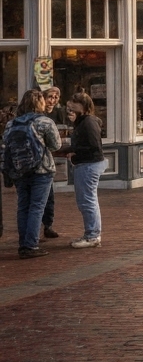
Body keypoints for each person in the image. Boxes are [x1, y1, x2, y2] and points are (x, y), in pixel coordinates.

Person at [5, 90, 60, 258]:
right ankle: (30, 245)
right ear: (40, 103)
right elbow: (56, 145)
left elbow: (6, 146)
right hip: (42, 170)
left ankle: (23, 244)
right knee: (37, 207)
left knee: (23, 206)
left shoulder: (12, 124)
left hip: (19, 170)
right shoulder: (45, 122)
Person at [56, 92, 104, 248]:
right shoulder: (83, 121)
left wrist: (72, 151)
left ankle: (92, 235)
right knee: (86, 200)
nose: (70, 106)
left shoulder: (88, 122)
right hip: (86, 164)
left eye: (74, 103)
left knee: (87, 200)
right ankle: (91, 234)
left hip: (88, 164)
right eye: (70, 102)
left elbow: (93, 147)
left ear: (83, 106)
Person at [40, 86, 63, 240]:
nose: (52, 101)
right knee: (41, 198)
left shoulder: (57, 113)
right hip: (41, 162)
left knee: (49, 197)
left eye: (55, 97)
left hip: (48, 160)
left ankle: (48, 225)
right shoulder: (40, 116)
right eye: (50, 97)